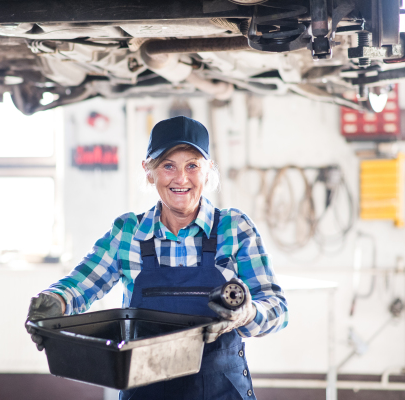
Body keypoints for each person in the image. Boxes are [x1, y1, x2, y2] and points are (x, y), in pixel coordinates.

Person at [26, 116, 289, 400]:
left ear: (208, 171)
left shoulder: (235, 228)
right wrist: (56, 300)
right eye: (168, 166)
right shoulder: (128, 232)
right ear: (149, 172)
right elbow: (80, 284)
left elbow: (277, 309)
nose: (181, 179)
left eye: (192, 166)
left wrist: (246, 314)